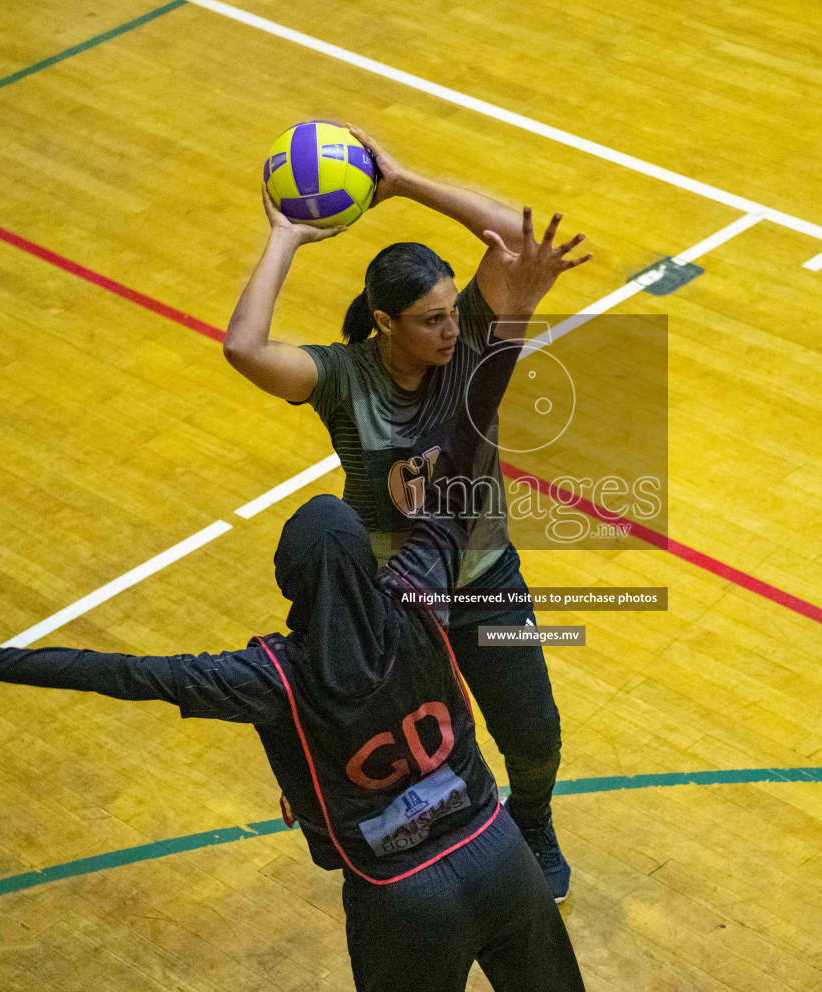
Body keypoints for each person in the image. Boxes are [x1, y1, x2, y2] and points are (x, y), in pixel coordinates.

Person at [0, 284, 586, 991]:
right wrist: (513, 322)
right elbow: (470, 434)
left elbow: (127, 675)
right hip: (496, 852)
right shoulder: (418, 590)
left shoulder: (271, 675)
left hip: (403, 893)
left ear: (294, 584)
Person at [222, 126, 589, 899]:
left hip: (485, 575)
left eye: (454, 310)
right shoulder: (339, 376)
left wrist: (405, 181)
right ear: (385, 323)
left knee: (535, 733)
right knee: (404, 758)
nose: (452, 329)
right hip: (396, 605)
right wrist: (285, 237)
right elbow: (244, 349)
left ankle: (533, 818)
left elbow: (515, 238)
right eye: (430, 319)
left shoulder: (474, 339)